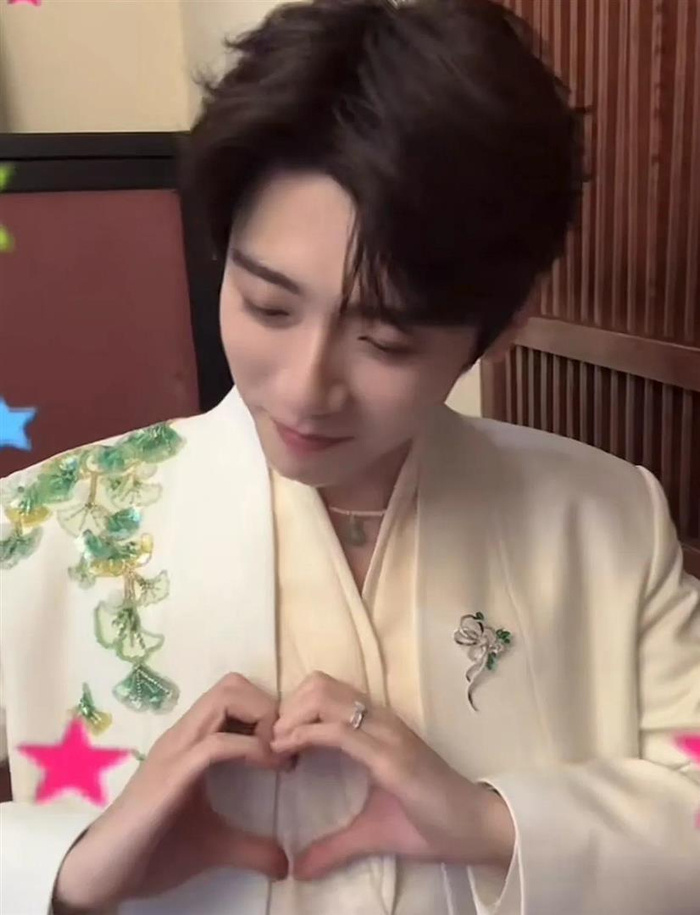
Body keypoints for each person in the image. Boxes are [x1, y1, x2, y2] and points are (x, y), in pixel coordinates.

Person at [1, 0, 698, 912]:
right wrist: (63, 870)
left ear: (501, 325)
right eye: (268, 306)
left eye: (386, 341)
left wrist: (497, 823)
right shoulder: (42, 526)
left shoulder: (606, 521)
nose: (304, 389)